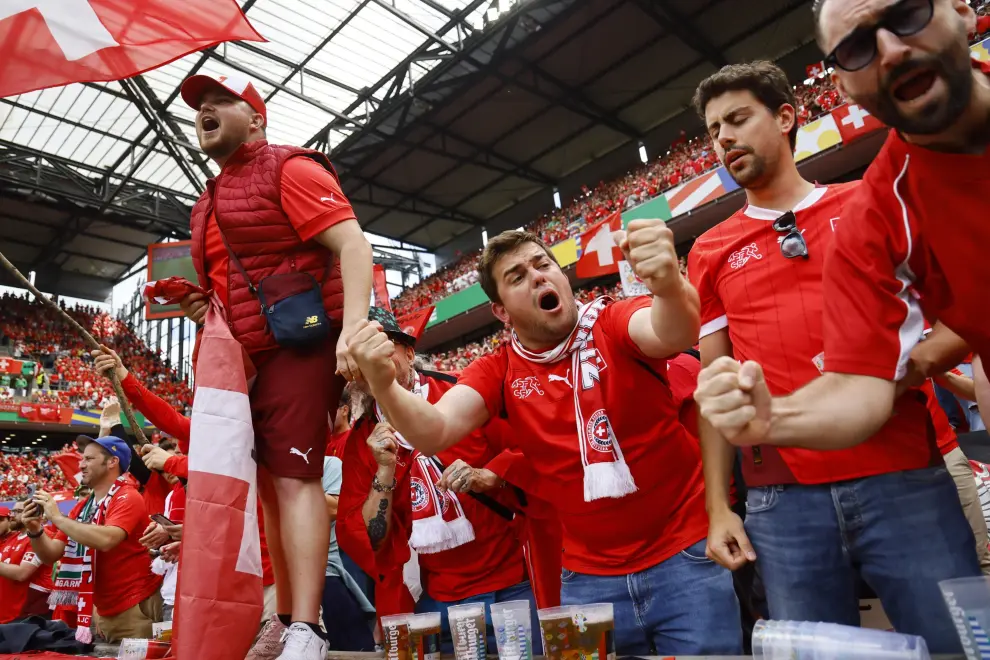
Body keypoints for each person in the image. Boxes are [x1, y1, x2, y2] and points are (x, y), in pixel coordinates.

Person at [688, 60, 981, 653]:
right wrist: (719, 507)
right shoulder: (710, 249)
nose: (725, 139)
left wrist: (915, 364)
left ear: (788, 117)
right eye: (715, 130)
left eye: (739, 119)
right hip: (783, 502)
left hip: (904, 477)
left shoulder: (870, 205)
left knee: (959, 646)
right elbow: (716, 389)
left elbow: (969, 307)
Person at [349, 229, 744, 656]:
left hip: (685, 556)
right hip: (585, 580)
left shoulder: (611, 322)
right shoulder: (498, 369)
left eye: (543, 265)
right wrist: (384, 384)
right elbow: (435, 431)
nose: (537, 277)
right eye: (517, 276)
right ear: (500, 311)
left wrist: (668, 284)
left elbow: (671, 331)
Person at [696, 0, 990, 451]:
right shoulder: (873, 220)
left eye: (908, 15)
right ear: (842, 86)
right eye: (856, 49)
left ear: (961, 10)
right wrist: (771, 418)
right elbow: (860, 387)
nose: (891, 51)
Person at [177, 72, 373, 660]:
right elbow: (233, 284)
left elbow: (355, 245)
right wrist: (198, 305)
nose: (204, 111)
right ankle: (286, 617)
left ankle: (308, 628)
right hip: (245, 362)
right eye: (198, 109)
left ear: (256, 118)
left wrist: (357, 329)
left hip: (300, 346)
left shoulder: (289, 167)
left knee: (294, 479)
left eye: (219, 103)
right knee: (269, 490)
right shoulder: (206, 201)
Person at [338, 307, 541, 654]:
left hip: (512, 591)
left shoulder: (462, 392)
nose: (370, 361)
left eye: (381, 347)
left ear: (409, 352)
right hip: (433, 606)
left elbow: (534, 451)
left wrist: (486, 476)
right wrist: (383, 472)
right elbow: (369, 539)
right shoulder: (361, 441)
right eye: (360, 356)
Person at [90, 346, 280, 634]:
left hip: (265, 572)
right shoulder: (211, 432)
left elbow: (232, 472)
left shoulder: (263, 433)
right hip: (221, 574)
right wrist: (123, 376)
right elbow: (167, 417)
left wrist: (173, 462)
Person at [21, 436, 163, 642]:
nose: (81, 464)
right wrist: (35, 531)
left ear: (112, 462)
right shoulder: (83, 507)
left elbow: (107, 539)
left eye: (89, 459)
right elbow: (50, 554)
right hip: (100, 608)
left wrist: (57, 517)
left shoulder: (127, 496)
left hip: (134, 604)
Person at [320, 452, 375, 650]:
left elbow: (336, 508)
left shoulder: (329, 464)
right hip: (271, 574)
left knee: (354, 648)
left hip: (326, 570)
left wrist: (293, 483)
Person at [0, 500, 54, 623]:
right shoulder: (11, 538)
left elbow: (22, 574)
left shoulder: (41, 537)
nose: (13, 515)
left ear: (35, 514)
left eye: (18, 511)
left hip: (29, 613)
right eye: (13, 511)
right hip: (9, 611)